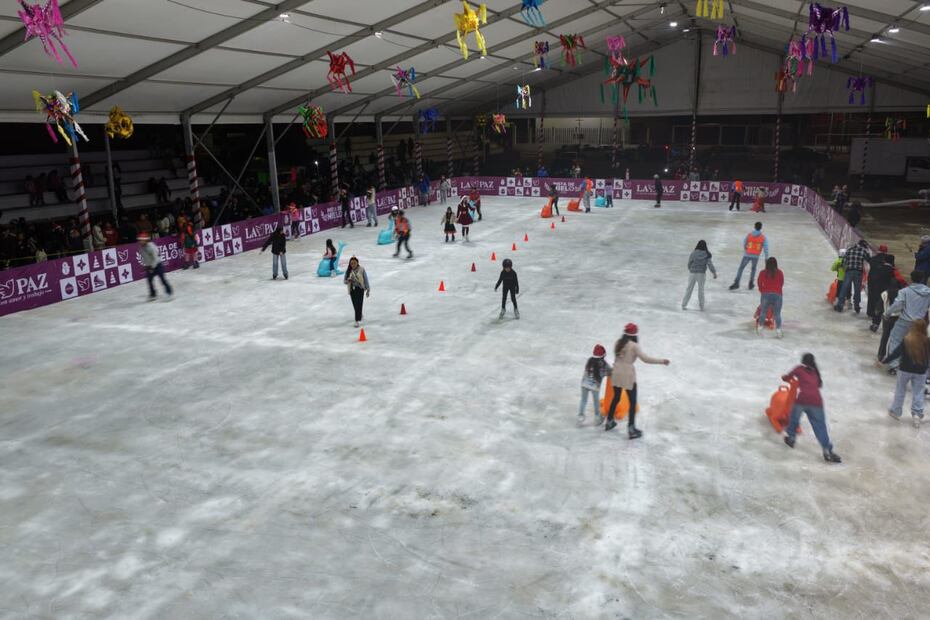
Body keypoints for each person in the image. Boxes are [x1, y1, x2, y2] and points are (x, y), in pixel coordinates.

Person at [604, 323, 670, 436]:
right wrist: (662, 361)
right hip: (628, 376)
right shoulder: (634, 346)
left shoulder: (618, 343)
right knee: (632, 401)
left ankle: (609, 421)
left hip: (616, 373)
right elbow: (646, 359)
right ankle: (631, 428)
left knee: (616, 397)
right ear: (635, 334)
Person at [782, 354, 842, 463]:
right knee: (820, 427)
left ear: (803, 361)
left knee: (794, 417)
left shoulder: (799, 369)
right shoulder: (815, 372)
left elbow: (787, 377)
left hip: (803, 400)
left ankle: (791, 438)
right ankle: (827, 451)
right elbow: (818, 385)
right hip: (816, 402)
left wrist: (784, 378)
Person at [881, 319, 929, 428]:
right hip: (921, 371)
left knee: (900, 390)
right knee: (918, 392)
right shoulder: (927, 341)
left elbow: (896, 354)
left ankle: (896, 411)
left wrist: (883, 361)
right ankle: (917, 414)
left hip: (905, 370)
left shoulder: (907, 340)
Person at [884, 271, 930, 370]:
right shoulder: (928, 292)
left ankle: (894, 365)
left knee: (895, 340)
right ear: (922, 279)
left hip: (905, 321)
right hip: (920, 323)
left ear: (911, 278)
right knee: (920, 343)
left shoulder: (905, 291)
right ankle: (919, 365)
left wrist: (887, 313)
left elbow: (898, 305)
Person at [730, 222, 769, 290]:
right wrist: (766, 258)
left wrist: (746, 249)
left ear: (754, 227)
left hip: (747, 254)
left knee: (741, 268)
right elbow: (766, 248)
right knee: (753, 269)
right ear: (761, 227)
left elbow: (745, 243)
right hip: (756, 256)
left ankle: (736, 283)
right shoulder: (763, 237)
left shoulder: (749, 235)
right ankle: (750, 284)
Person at [835, 239, 870, 313]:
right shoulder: (863, 251)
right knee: (857, 290)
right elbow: (869, 260)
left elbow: (844, 262)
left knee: (844, 288)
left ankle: (840, 305)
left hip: (849, 271)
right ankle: (857, 306)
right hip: (858, 273)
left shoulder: (849, 250)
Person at [579, 344, 611, 424]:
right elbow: (610, 372)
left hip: (584, 384)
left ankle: (580, 416)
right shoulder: (603, 364)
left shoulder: (590, 360)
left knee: (583, 400)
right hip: (594, 386)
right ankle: (597, 417)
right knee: (596, 401)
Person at [867, 245, 895, 332]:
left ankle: (871, 313)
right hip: (885, 289)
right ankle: (882, 320)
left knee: (873, 299)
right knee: (882, 304)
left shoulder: (874, 259)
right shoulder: (891, 268)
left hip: (873, 284)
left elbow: (869, 261)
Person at [682, 240, 717, 311]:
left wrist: (690, 269)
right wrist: (714, 272)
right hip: (701, 274)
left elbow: (689, 263)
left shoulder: (693, 253)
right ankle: (701, 306)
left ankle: (683, 305)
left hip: (692, 273)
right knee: (701, 290)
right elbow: (710, 264)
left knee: (689, 289)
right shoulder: (707, 254)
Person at [138, 232, 173, 300]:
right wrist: (145, 265)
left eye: (142, 240)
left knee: (162, 279)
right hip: (150, 266)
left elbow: (156, 258)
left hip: (158, 264)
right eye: (139, 240)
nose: (140, 241)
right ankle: (153, 294)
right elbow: (145, 257)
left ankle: (169, 293)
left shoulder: (151, 247)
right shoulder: (141, 248)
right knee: (149, 281)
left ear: (146, 240)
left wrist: (152, 267)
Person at [757, 257, 785, 338]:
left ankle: (760, 329)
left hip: (766, 294)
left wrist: (762, 290)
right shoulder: (780, 272)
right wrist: (777, 290)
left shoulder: (763, 272)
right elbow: (781, 283)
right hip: (778, 294)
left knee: (763, 312)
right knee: (777, 314)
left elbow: (759, 282)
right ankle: (778, 331)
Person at [343, 256, 370, 328]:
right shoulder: (348, 270)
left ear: (357, 263)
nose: (353, 265)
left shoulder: (361, 269)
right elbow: (344, 281)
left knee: (359, 304)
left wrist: (368, 289)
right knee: (355, 304)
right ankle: (359, 314)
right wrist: (348, 280)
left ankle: (357, 320)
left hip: (360, 289)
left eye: (354, 263)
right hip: (352, 289)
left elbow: (366, 279)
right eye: (351, 263)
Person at [878, 279, 901, 361]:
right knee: (895, 339)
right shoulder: (901, 294)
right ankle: (892, 358)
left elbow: (879, 307)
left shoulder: (884, 293)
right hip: (898, 318)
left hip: (887, 318)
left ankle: (881, 355)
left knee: (885, 337)